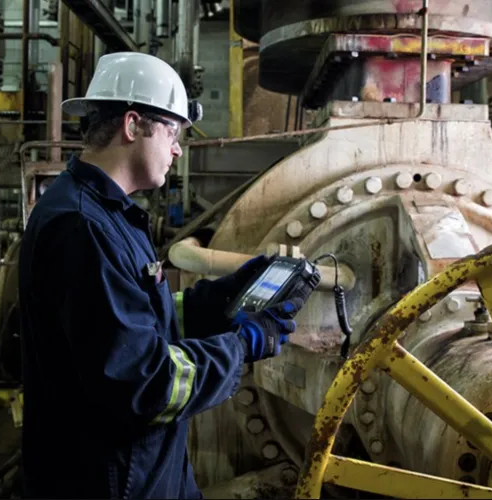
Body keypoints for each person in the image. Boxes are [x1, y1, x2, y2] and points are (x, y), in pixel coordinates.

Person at [18, 52, 311, 499]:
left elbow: (130, 319)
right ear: (133, 126)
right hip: (110, 481)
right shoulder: (83, 228)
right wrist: (241, 345)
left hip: (142, 473)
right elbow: (145, 383)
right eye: (171, 132)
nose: (177, 148)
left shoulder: (103, 212)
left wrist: (222, 299)